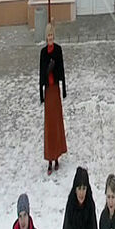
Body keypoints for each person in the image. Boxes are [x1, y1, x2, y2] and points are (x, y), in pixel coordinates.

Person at [40, 23, 68, 175]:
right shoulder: (43, 52)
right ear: (46, 37)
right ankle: (49, 160)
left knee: (57, 123)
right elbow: (41, 73)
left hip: (55, 89)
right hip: (48, 91)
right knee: (49, 125)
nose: (50, 38)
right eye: (48, 36)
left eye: (51, 36)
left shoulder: (58, 50)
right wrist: (40, 92)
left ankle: (56, 157)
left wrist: (64, 88)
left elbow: (62, 69)